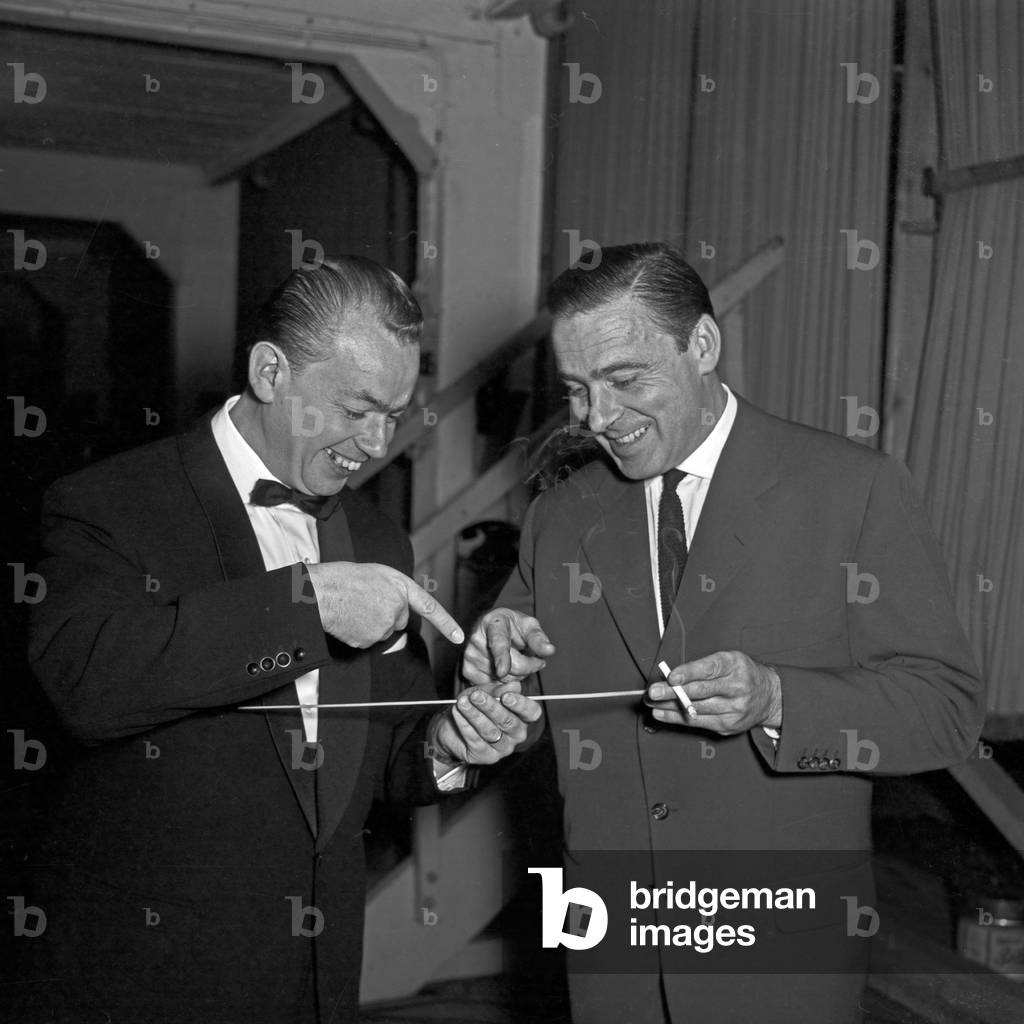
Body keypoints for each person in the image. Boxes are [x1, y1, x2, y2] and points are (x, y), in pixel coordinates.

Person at [461, 243, 984, 1023]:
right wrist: (493, 676)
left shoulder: (852, 489)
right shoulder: (560, 515)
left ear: (702, 345)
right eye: (576, 390)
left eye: (625, 380)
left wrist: (777, 699)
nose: (597, 420)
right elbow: (522, 696)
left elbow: (945, 709)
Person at [18, 256, 540, 1024]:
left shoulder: (377, 537)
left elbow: (391, 756)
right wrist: (306, 605)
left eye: (393, 415)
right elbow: (85, 685)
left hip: (317, 979)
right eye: (356, 408)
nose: (375, 443)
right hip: (146, 981)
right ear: (269, 371)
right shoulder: (112, 502)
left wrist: (456, 741)